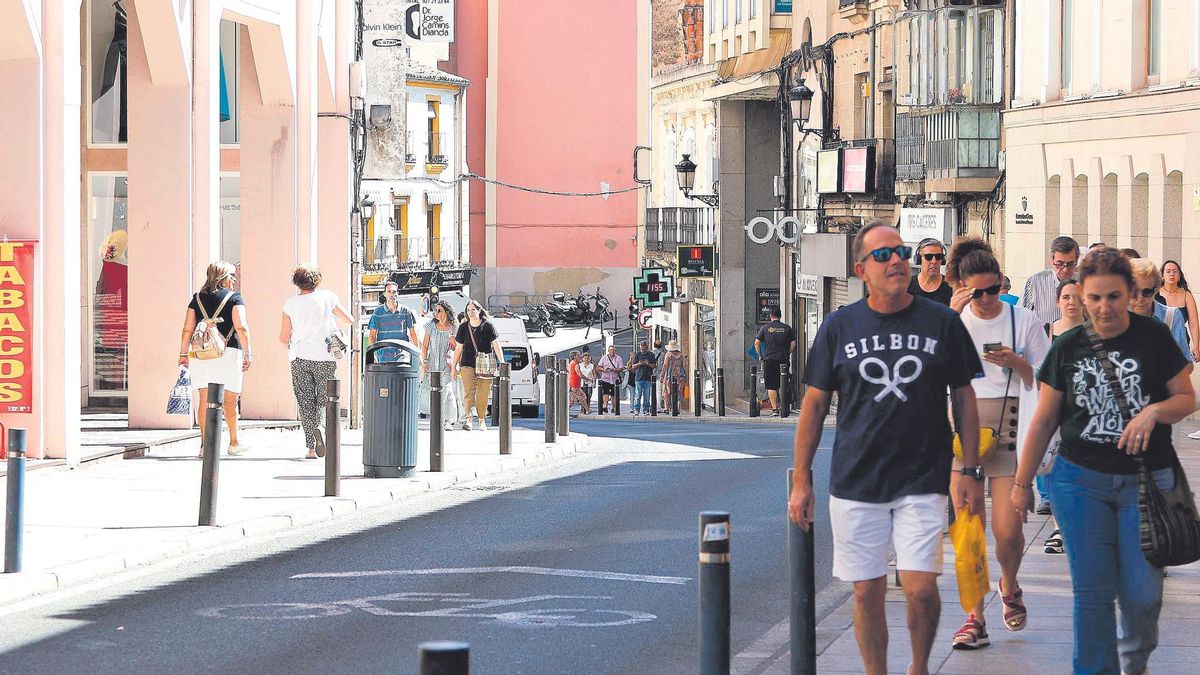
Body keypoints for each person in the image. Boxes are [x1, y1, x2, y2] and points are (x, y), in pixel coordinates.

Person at [788, 220, 984, 675]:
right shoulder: (839, 326)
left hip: (923, 473)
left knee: (920, 587)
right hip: (857, 478)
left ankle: (917, 667)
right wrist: (802, 481)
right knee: (866, 591)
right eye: (883, 255)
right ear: (861, 269)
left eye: (902, 251)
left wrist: (971, 471)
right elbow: (814, 406)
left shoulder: (943, 322)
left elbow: (964, 396)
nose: (897, 260)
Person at [1012, 247, 1197, 675]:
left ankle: (1132, 665)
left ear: (1130, 293)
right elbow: (1044, 420)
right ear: (1079, 294)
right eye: (1094, 297)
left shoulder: (1153, 337)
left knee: (1142, 596)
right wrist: (1021, 485)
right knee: (1092, 593)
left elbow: (1187, 397)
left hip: (1146, 481)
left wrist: (1153, 412)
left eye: (1113, 296)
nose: (1103, 307)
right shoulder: (1068, 346)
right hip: (1080, 482)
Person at [945, 237, 1051, 649]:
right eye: (978, 291)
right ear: (962, 286)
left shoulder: (1021, 319)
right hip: (962, 434)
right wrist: (948, 322)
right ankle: (974, 615)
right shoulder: (950, 321)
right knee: (968, 529)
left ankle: (1009, 583)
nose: (987, 298)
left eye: (994, 289)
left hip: (1009, 429)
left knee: (1008, 531)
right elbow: (929, 372)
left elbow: (1045, 378)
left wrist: (1018, 363)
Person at [178, 261, 252, 457]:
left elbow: (187, 328)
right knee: (230, 399)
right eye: (232, 276)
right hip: (229, 351)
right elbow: (242, 327)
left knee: (204, 398)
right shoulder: (235, 298)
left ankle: (205, 445)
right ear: (223, 277)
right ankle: (234, 442)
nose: (234, 280)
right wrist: (248, 353)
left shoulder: (197, 298)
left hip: (201, 353)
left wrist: (183, 354)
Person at [280, 264, 353, 459]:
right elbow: (349, 319)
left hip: (299, 357)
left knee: (305, 402)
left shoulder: (290, 304)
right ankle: (321, 427)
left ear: (297, 283)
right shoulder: (327, 297)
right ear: (316, 280)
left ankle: (311, 448)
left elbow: (283, 338)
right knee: (325, 399)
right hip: (325, 356)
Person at [1036, 280, 1087, 548]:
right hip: (1057, 411)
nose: (1071, 302)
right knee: (1058, 471)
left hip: (1088, 412)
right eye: (1065, 297)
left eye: (1076, 297)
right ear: (1057, 302)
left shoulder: (1095, 333)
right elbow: (1040, 371)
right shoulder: (1047, 332)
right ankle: (1059, 528)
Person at [451, 300, 506, 431]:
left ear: (479, 310)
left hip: (485, 364)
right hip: (467, 363)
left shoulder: (488, 325)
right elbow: (458, 348)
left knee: (483, 393)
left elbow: (496, 346)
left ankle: (481, 420)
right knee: (469, 392)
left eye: (473, 310)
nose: (470, 313)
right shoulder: (464, 327)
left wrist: (502, 363)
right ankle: (469, 420)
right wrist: (454, 366)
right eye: (468, 310)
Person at [1130, 258, 1191, 360]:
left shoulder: (1172, 316)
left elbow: (1186, 363)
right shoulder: (1114, 317)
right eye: (1134, 292)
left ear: (1156, 290)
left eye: (1147, 292)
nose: (1140, 298)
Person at [1022, 236, 1080, 331]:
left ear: (1076, 261)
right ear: (1051, 261)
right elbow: (1022, 319)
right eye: (1060, 264)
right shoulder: (1035, 282)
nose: (1065, 270)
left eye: (1070, 264)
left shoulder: (1084, 283)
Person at [421, 300, 460, 431]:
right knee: (433, 391)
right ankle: (438, 417)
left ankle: (448, 420)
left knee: (448, 390)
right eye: (435, 310)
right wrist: (425, 361)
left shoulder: (454, 327)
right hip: (432, 364)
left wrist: (453, 342)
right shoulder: (430, 326)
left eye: (439, 310)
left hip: (447, 364)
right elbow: (425, 346)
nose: (436, 313)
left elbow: (459, 348)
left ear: (447, 312)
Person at [755, 307, 797, 416]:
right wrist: (788, 353)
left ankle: (775, 409)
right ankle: (784, 407)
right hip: (783, 359)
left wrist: (760, 356)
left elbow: (757, 343)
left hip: (769, 360)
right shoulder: (787, 328)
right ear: (780, 315)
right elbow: (793, 344)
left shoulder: (765, 328)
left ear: (771, 316)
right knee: (783, 383)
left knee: (771, 385)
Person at [1156, 260, 1200, 362]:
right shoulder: (1155, 293)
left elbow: (1193, 323)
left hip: (1181, 340)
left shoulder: (1186, 295)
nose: (1172, 274)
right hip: (1158, 339)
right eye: (1168, 271)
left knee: (1180, 373)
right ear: (1162, 275)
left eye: (1175, 271)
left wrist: (1196, 346)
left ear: (1179, 275)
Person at [367, 281, 418, 362]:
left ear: (397, 294)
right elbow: (372, 336)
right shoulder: (378, 312)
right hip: (383, 356)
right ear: (384, 294)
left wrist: (417, 354)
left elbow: (413, 332)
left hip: (402, 355)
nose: (391, 294)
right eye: (389, 291)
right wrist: (372, 355)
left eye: (394, 292)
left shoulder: (405, 311)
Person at [907, 237, 953, 305]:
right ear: (919, 259)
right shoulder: (907, 286)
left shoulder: (951, 286)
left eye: (938, 257)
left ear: (942, 260)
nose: (934, 261)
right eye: (928, 257)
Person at [629, 341, 657, 415]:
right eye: (641, 349)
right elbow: (633, 366)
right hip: (639, 378)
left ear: (647, 348)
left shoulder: (651, 355)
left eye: (644, 349)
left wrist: (648, 364)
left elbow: (654, 366)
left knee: (647, 395)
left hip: (648, 378)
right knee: (638, 395)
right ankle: (637, 409)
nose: (643, 351)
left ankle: (646, 409)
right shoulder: (638, 355)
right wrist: (640, 363)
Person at [595, 344, 625, 413]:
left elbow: (621, 368)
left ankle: (614, 407)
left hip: (614, 379)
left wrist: (615, 370)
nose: (612, 351)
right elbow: (598, 367)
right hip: (606, 378)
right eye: (611, 350)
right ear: (608, 351)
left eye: (613, 350)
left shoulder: (618, 358)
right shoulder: (604, 358)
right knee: (605, 392)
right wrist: (604, 369)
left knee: (613, 394)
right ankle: (605, 406)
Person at [660, 341, 688, 412]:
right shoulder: (681, 355)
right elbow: (684, 365)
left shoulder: (668, 354)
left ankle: (666, 408)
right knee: (679, 391)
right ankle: (677, 408)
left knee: (667, 391)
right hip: (680, 376)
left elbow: (665, 365)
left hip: (670, 375)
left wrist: (662, 375)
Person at [566, 350, 591, 415]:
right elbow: (579, 374)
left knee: (582, 397)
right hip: (574, 385)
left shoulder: (572, 363)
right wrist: (588, 379)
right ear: (574, 357)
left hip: (575, 384)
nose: (580, 356)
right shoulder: (575, 364)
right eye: (578, 355)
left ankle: (588, 410)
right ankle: (563, 412)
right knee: (573, 400)